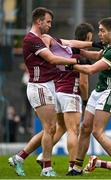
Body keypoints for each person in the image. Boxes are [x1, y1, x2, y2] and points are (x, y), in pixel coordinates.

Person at [8, 7, 92, 177]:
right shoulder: (32, 40)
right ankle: (46, 168)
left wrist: (94, 44)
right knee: (51, 128)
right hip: (39, 86)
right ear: (39, 21)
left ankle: (19, 157)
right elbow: (52, 59)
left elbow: (69, 42)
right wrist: (73, 63)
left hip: (49, 86)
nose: (50, 25)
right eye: (48, 22)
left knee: (50, 129)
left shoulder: (43, 38)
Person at [67, 17, 111, 176]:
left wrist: (69, 64)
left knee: (97, 131)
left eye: (102, 31)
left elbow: (91, 70)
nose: (99, 34)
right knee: (85, 128)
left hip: (110, 92)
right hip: (100, 90)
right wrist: (80, 51)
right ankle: (77, 168)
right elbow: (96, 56)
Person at [36, 22, 94, 174]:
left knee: (58, 128)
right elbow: (83, 83)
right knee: (73, 131)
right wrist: (86, 100)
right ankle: (73, 167)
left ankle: (43, 156)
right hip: (70, 93)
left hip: (57, 93)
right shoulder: (80, 56)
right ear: (87, 37)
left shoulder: (64, 51)